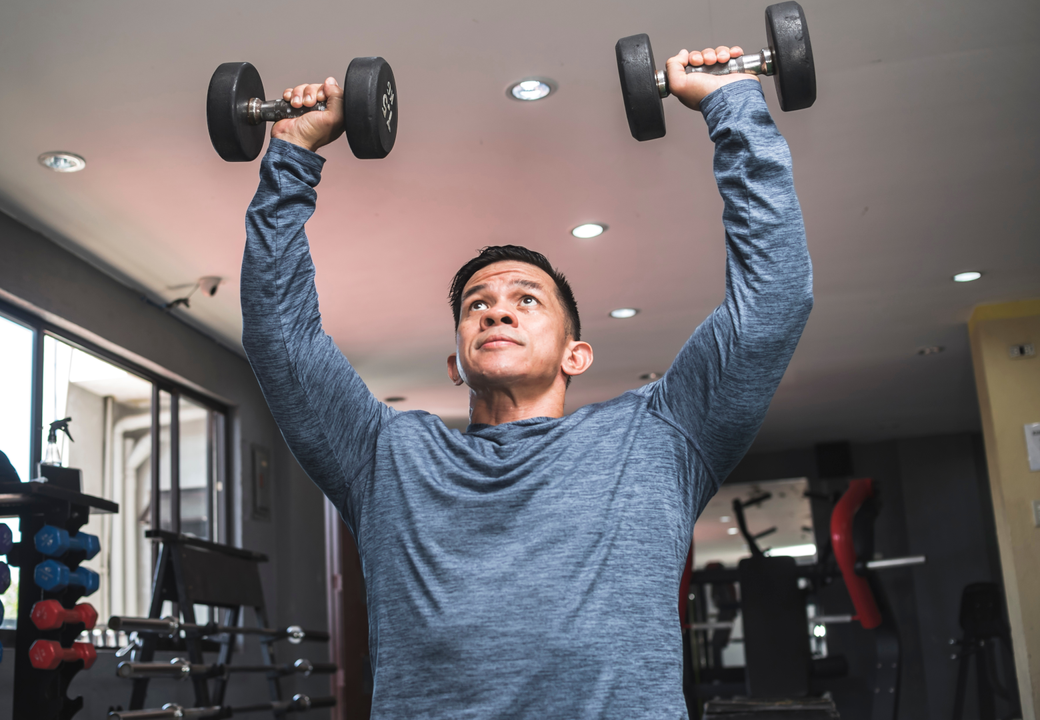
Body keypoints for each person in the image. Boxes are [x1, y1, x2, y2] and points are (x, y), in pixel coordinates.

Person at [240, 45, 812, 719]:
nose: (498, 309)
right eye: (476, 304)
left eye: (527, 299)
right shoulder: (386, 456)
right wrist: (290, 157)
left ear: (578, 354)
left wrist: (733, 104)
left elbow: (773, 299)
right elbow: (282, 338)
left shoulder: (659, 438)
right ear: (456, 363)